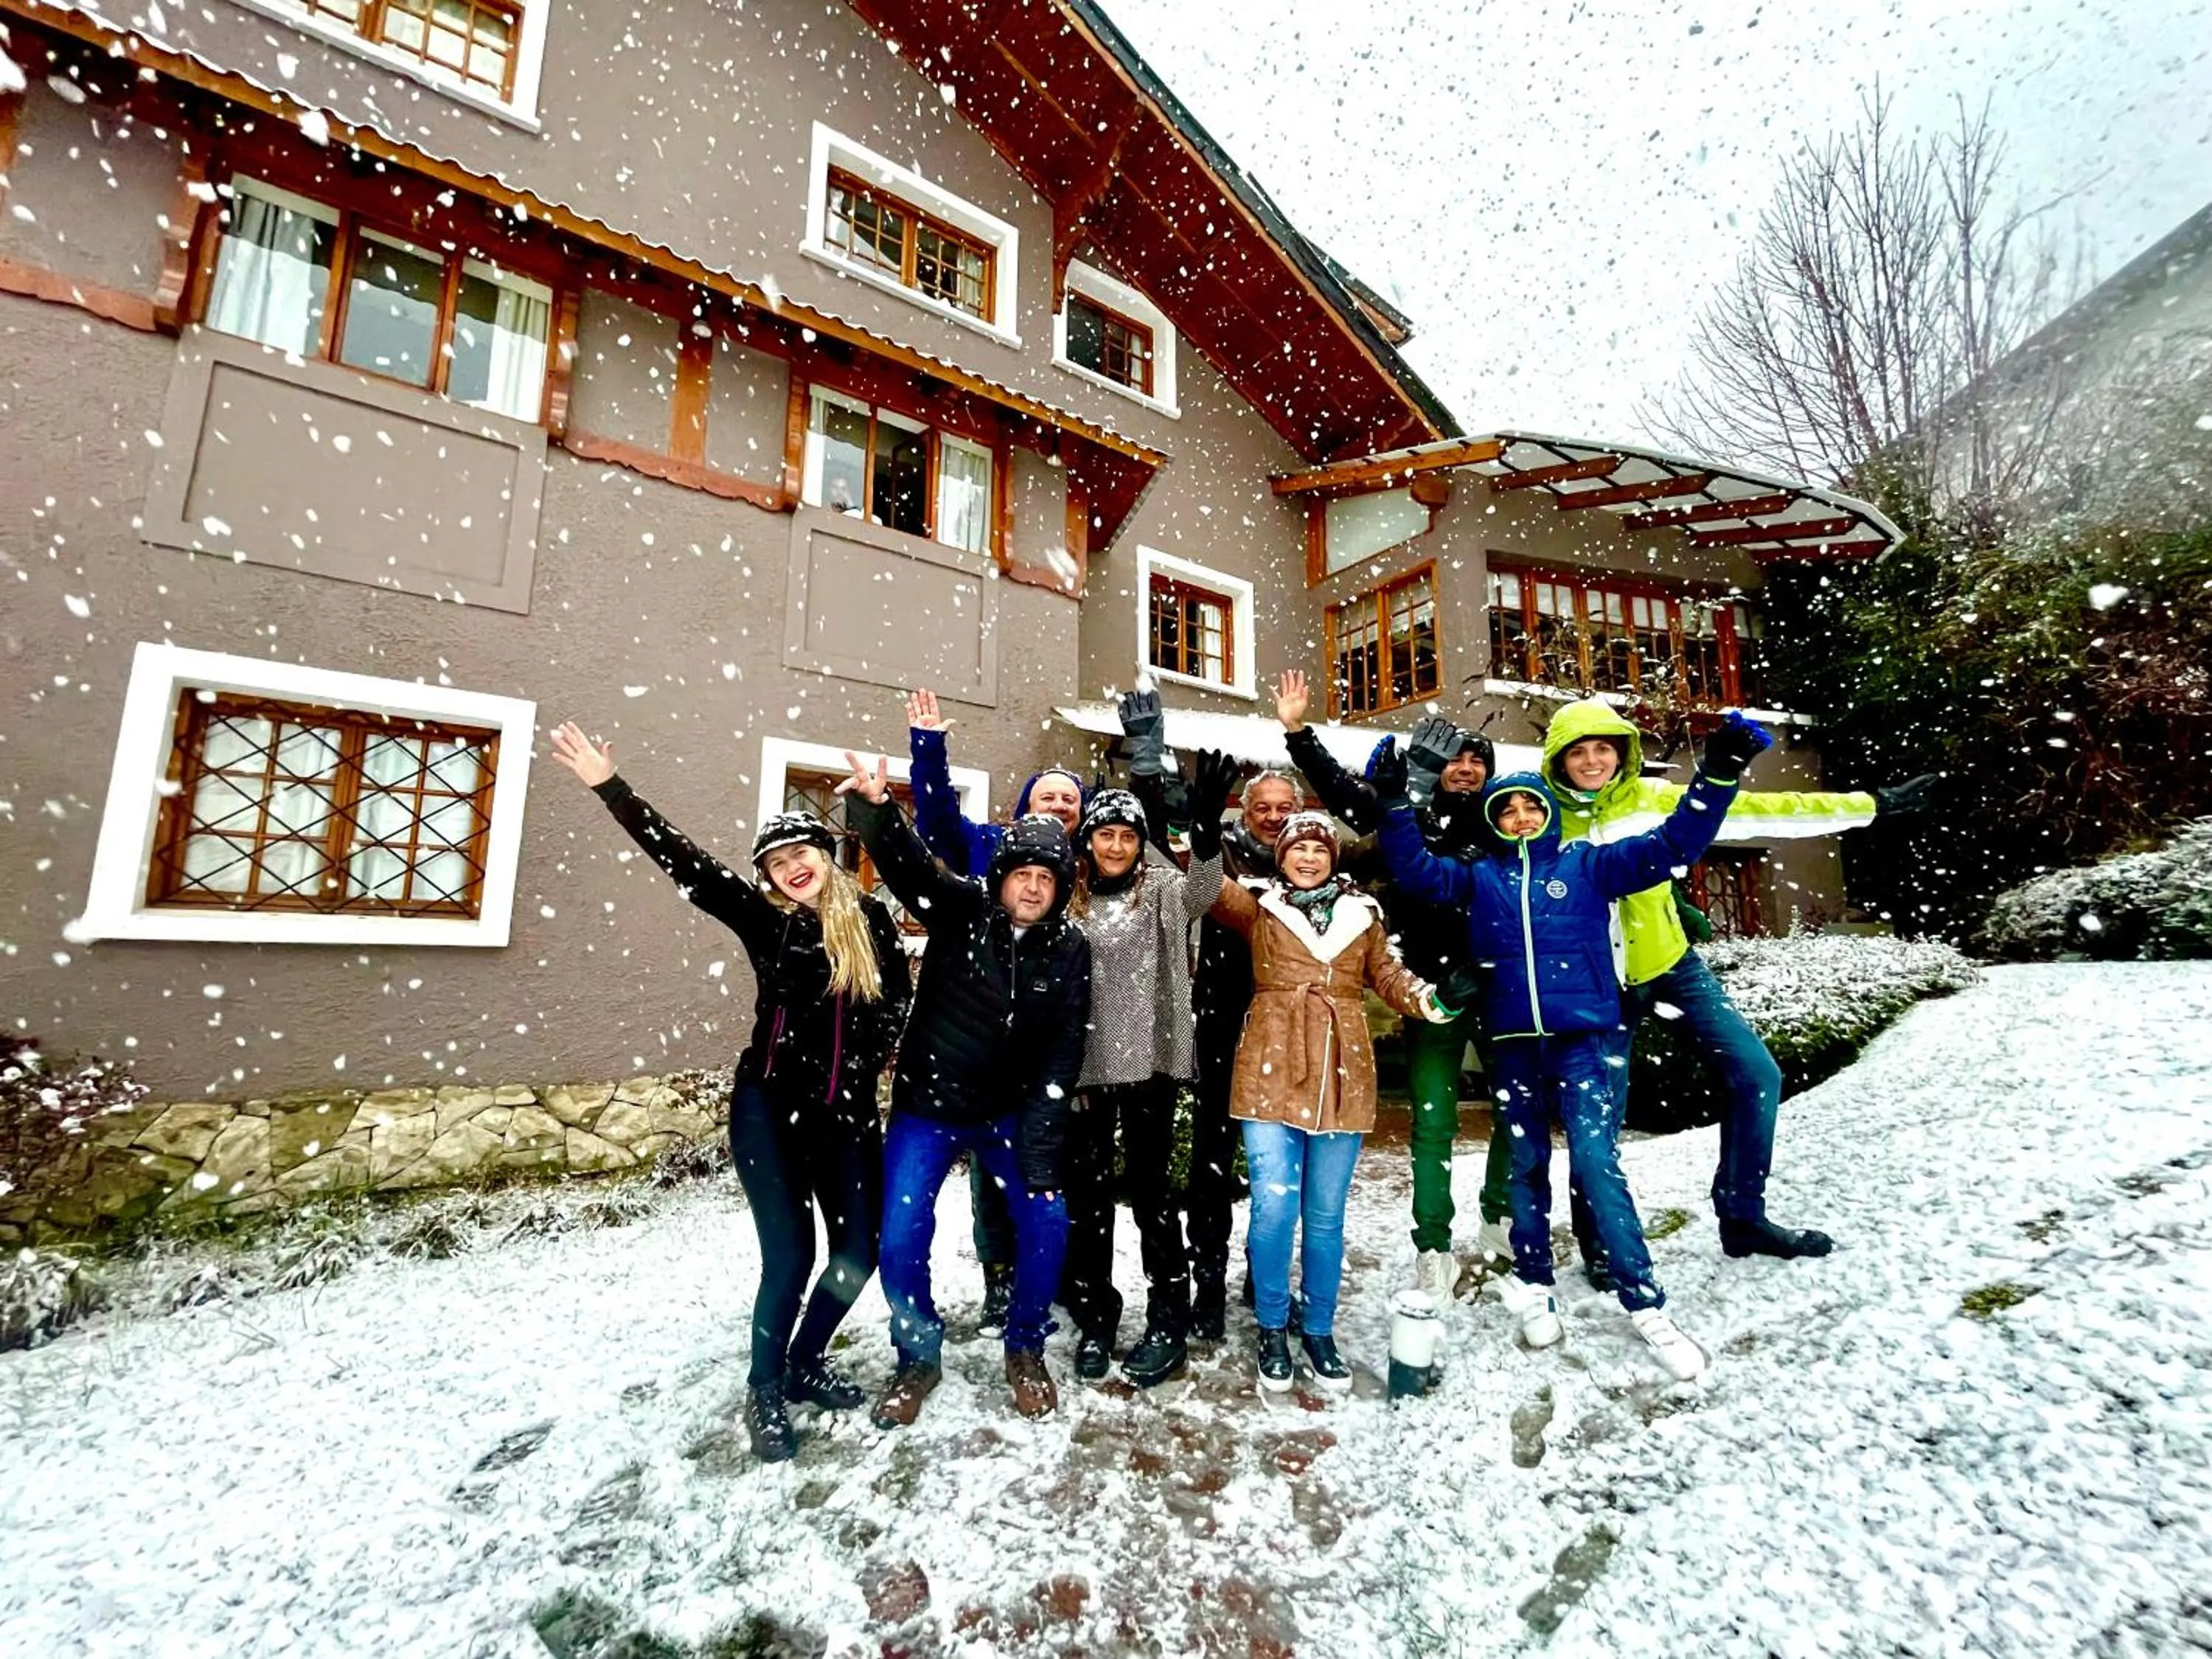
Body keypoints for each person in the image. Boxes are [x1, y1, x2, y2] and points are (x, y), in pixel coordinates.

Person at [549, 722, 911, 1462]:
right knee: (790, 1258)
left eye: (799, 853)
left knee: (861, 1251)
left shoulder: (872, 921)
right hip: (770, 1107)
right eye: (776, 863)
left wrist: (858, 1074)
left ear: (826, 854)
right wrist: (611, 789)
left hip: (842, 1112)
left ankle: (807, 1359)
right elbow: (684, 863)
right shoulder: (762, 920)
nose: (789, 868)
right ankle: (765, 1387)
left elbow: (894, 1005)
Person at [1374, 716, 1772, 1381]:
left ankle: (1645, 1301)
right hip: (1514, 1046)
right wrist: (1396, 801)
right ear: (1495, 820)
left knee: (1594, 1160)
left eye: (1534, 805)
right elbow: (1413, 869)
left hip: (1585, 1039)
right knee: (1526, 1166)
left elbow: (1676, 842)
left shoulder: (1589, 866)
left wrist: (1718, 777)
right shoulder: (1480, 879)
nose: (1523, 816)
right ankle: (1535, 1286)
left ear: (1550, 812)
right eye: (1509, 808)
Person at [1535, 699, 1938, 1271]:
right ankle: (1601, 1243)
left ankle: (1743, 1216)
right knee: (1597, 1115)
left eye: (1604, 748)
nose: (1593, 760)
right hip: (1595, 985)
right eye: (1579, 751)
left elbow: (1768, 811)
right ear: (1559, 759)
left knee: (1756, 1074)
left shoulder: (1655, 801)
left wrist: (1872, 806)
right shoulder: (1543, 820)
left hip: (1671, 964)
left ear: (1623, 752)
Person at [1189, 750, 1455, 1396]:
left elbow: (1387, 976)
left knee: (1328, 1216)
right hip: (1269, 1067)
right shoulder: (1259, 909)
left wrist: (1432, 998)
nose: (1307, 857)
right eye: (1295, 849)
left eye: (1318, 847)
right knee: (1275, 1211)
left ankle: (1319, 1328)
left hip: (1343, 1069)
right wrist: (1202, 833)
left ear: (1333, 857)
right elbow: (1202, 890)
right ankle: (1274, 1327)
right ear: (1279, 859)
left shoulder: (1364, 916)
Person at [836, 752, 1091, 1427]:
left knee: (1048, 1221)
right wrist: (876, 811)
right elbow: (910, 868)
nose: (1032, 889)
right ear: (1001, 877)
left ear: (1062, 887)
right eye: (1022, 876)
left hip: (1009, 1112)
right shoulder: (964, 909)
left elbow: (1064, 1051)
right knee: (900, 1236)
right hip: (930, 1107)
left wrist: (1039, 1143)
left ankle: (1025, 1346)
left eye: (1047, 879)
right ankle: (917, 1354)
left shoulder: (1069, 948)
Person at [1272, 669, 1502, 1306]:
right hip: (1429, 984)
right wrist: (1299, 734)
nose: (1464, 768)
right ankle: (1433, 1245)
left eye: (1475, 760)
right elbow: (1350, 804)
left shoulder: (1502, 825)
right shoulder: (1407, 818)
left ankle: (1502, 1218)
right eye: (1453, 758)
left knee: (1516, 1111)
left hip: (1503, 986)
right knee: (1434, 1122)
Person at [903, 686, 1085, 1335]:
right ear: (1023, 806)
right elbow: (936, 828)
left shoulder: (1096, 862)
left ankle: (1059, 1282)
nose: (1060, 805)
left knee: (1056, 1176)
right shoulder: (991, 851)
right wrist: (928, 752)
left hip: (1067, 1040)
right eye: (1049, 796)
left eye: (1071, 799)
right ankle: (999, 1281)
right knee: (995, 1181)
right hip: (991, 1053)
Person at [1059, 775, 1228, 1388]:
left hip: (1150, 1063)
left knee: (1155, 1201)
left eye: (1128, 836)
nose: (1116, 845)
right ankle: (1097, 1316)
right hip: (1086, 1068)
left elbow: (1204, 895)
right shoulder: (1068, 893)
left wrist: (1205, 837)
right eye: (1106, 833)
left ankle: (1168, 1321)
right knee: (1091, 1202)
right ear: (1089, 839)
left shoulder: (1158, 888)